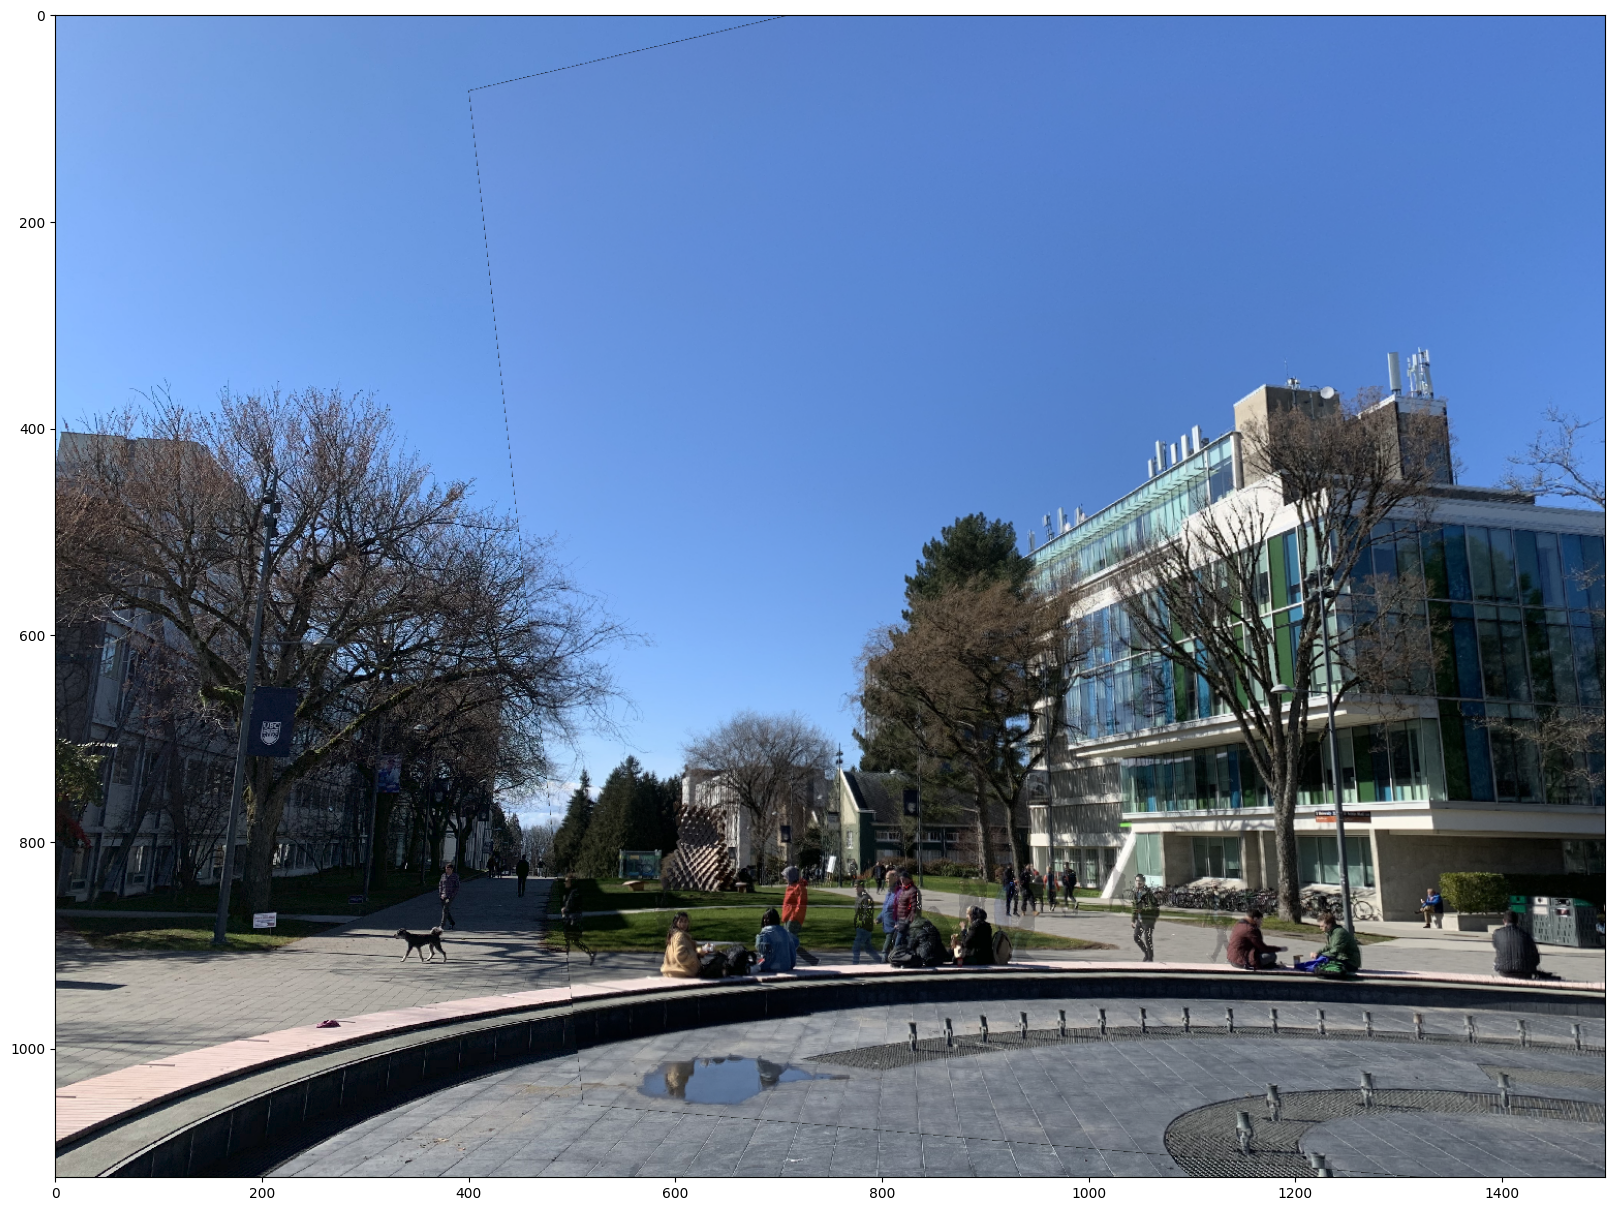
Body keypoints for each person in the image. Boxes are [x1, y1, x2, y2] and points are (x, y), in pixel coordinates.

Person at [780, 865, 819, 966]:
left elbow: (801, 904)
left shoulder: (799, 888)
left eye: (785, 876)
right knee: (789, 942)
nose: (784, 878)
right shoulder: (791, 887)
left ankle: (807, 959)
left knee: (790, 942)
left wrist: (794, 916)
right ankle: (809, 960)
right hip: (787, 917)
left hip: (793, 918)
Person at [1306, 912, 1361, 979]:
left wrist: (1320, 956)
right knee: (1319, 964)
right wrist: (1317, 952)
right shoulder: (1331, 932)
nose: (1320, 928)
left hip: (1350, 962)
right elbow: (1328, 946)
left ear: (1329, 924)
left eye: (1322, 926)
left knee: (1321, 965)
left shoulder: (1339, 933)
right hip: (1342, 959)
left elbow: (1335, 950)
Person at [1492, 910, 1542, 979]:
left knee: (1496, 961)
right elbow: (1536, 958)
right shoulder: (1525, 934)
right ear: (1517, 922)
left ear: (1504, 921)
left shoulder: (1497, 933)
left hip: (1504, 971)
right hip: (1524, 971)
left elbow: (1497, 947)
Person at [559, 874, 596, 964]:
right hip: (570, 918)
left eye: (567, 881)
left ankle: (590, 953)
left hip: (574, 919)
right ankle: (566, 957)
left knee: (573, 939)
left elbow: (573, 906)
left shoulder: (575, 893)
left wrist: (565, 909)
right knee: (568, 938)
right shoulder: (570, 891)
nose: (565, 883)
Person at [752, 907, 798, 973]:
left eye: (766, 918)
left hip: (771, 967)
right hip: (786, 966)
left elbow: (761, 950)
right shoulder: (785, 932)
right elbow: (796, 942)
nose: (765, 921)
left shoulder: (765, 933)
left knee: (756, 964)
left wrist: (758, 938)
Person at [850, 879, 881, 964]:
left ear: (862, 887)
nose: (856, 888)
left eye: (858, 887)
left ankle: (855, 964)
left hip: (864, 927)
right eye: (855, 886)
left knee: (856, 947)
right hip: (860, 926)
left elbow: (867, 914)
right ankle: (881, 962)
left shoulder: (866, 898)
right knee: (868, 948)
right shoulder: (859, 896)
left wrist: (861, 923)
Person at [661, 911, 700, 978]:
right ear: (676, 923)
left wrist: (700, 952)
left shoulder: (673, 935)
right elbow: (680, 955)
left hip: (671, 973)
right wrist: (695, 955)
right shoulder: (680, 936)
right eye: (681, 921)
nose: (683, 924)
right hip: (682, 973)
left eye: (685, 921)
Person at [1131, 874, 1158, 962]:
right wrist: (1133, 920)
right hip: (1139, 920)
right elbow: (1134, 907)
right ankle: (1146, 953)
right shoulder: (1136, 892)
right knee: (1136, 937)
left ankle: (1150, 958)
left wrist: (1142, 910)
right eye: (1136, 881)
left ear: (1143, 882)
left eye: (1140, 881)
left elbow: (1152, 907)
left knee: (1147, 938)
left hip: (1148, 920)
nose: (1138, 883)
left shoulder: (1148, 893)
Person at [892, 869, 921, 950]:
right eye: (901, 879)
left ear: (909, 879)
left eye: (904, 879)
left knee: (900, 936)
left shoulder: (912, 890)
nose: (902, 881)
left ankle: (895, 952)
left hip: (906, 920)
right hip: (901, 919)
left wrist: (909, 919)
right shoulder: (904, 890)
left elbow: (913, 907)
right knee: (905, 937)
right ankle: (907, 952)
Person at [880, 870, 901, 960]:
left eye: (888, 878)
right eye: (886, 879)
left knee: (890, 938)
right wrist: (879, 918)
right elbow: (885, 907)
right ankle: (890, 956)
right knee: (892, 939)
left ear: (895, 878)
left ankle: (885, 956)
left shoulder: (899, 892)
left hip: (894, 923)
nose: (886, 880)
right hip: (888, 922)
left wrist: (898, 922)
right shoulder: (890, 892)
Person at [438, 861, 460, 930]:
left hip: (450, 896)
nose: (447, 870)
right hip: (443, 895)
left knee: (445, 909)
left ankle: (441, 926)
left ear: (452, 869)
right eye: (446, 869)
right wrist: (440, 893)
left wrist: (452, 895)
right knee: (446, 910)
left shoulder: (455, 876)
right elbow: (440, 885)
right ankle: (452, 922)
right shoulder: (443, 876)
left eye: (449, 869)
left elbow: (457, 887)